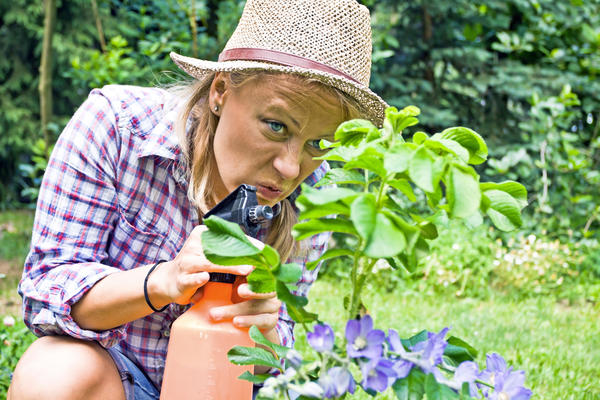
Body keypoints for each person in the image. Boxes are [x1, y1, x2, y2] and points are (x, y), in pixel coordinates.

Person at [8, 0, 387, 399]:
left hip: (217, 384)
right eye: (276, 126)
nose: (292, 167)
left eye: (317, 143)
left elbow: (270, 365)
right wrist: (163, 281)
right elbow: (45, 294)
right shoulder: (118, 128)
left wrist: (264, 331)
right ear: (220, 91)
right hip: (114, 379)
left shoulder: (317, 194)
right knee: (54, 373)